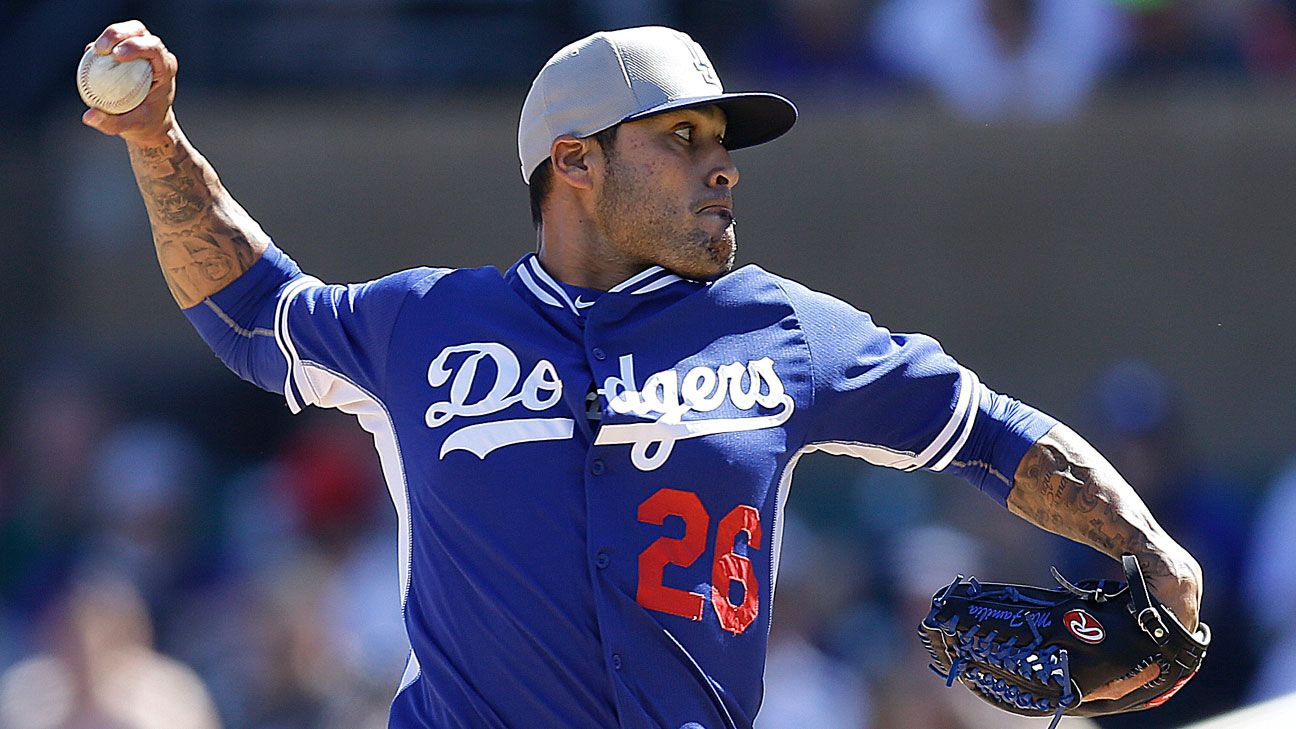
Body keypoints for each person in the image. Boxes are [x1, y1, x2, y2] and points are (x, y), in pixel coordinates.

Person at [81, 20, 1204, 729]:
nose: (722, 171)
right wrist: (153, 140)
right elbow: (251, 309)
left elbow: (990, 431)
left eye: (724, 145)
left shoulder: (785, 331)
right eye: (683, 142)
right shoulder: (427, 325)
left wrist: (1144, 547)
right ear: (573, 162)